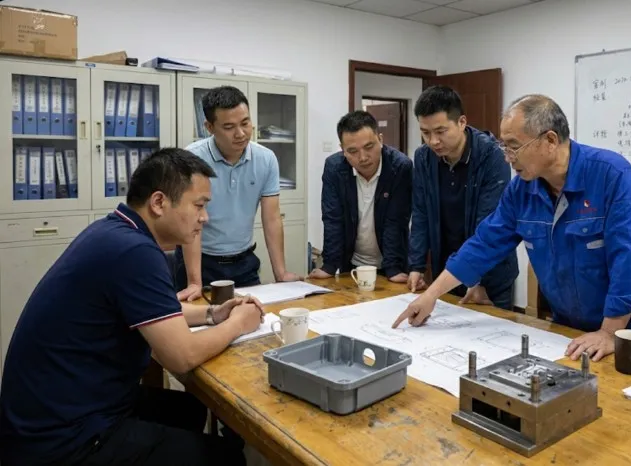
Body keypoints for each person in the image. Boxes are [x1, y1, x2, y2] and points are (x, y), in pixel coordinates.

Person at [0, 148, 264, 466]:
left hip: (60, 408)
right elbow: (181, 357)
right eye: (199, 205)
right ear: (158, 202)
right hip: (64, 438)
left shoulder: (116, 232)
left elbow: (152, 311)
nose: (204, 218)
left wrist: (212, 314)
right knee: (224, 457)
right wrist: (238, 324)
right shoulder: (134, 252)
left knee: (188, 410)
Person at [393, 94, 631, 362]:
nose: (508, 158)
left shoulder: (612, 176)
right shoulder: (522, 190)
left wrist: (609, 332)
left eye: (513, 146)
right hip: (569, 327)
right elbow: (483, 245)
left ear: (549, 140)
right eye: (504, 147)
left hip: (626, 331)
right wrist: (430, 296)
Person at [174, 86, 301, 301]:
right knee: (202, 325)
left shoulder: (266, 159)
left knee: (255, 322)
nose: (241, 134)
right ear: (209, 127)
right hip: (200, 263)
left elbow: (271, 219)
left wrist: (281, 273)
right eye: (229, 127)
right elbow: (190, 222)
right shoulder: (192, 159)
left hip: (244, 263)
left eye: (245, 123)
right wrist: (194, 282)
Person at [407, 85, 518, 310]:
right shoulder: (423, 158)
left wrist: (477, 279)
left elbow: (488, 227)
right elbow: (420, 213)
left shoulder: (492, 157)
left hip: (489, 275)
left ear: (462, 122)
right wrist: (416, 265)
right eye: (425, 133)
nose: (433, 141)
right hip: (446, 270)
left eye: (440, 131)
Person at [309, 110, 413, 282]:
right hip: (352, 264)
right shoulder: (334, 169)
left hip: (393, 265)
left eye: (369, 147)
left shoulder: (400, 167)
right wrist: (329, 265)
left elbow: (396, 221)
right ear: (342, 150)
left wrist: (393, 268)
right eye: (352, 151)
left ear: (380, 139)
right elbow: (332, 218)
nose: (363, 157)